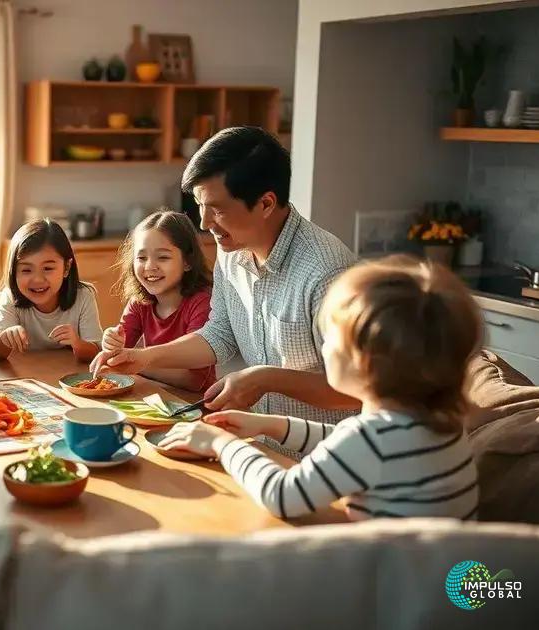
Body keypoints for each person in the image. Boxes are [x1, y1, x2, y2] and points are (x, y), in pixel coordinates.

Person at [159, 255, 481, 521]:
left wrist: (223, 444)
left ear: (367, 365)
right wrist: (271, 425)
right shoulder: (438, 422)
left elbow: (282, 496)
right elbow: (343, 446)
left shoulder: (373, 438)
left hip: (396, 590)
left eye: (332, 341)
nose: (324, 349)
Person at [92, 126, 361, 430]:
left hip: (324, 455)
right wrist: (143, 358)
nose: (204, 224)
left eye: (217, 210)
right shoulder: (232, 251)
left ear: (265, 204)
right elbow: (219, 334)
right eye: (199, 207)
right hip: (262, 441)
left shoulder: (326, 271)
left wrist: (264, 379)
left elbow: (357, 391)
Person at [101, 209, 213, 391]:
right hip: (153, 393)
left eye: (163, 257)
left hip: (195, 402)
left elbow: (194, 380)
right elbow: (119, 357)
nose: (150, 266)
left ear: (188, 261)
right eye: (142, 257)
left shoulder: (201, 303)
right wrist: (111, 342)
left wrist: (140, 363)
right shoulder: (139, 301)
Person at [0, 219, 102, 363]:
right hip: (25, 377)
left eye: (48, 268)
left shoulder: (83, 296)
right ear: (14, 271)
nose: (37, 280)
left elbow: (96, 352)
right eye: (26, 270)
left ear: (66, 268)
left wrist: (77, 343)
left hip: (68, 377)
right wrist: (6, 339)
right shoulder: (10, 296)